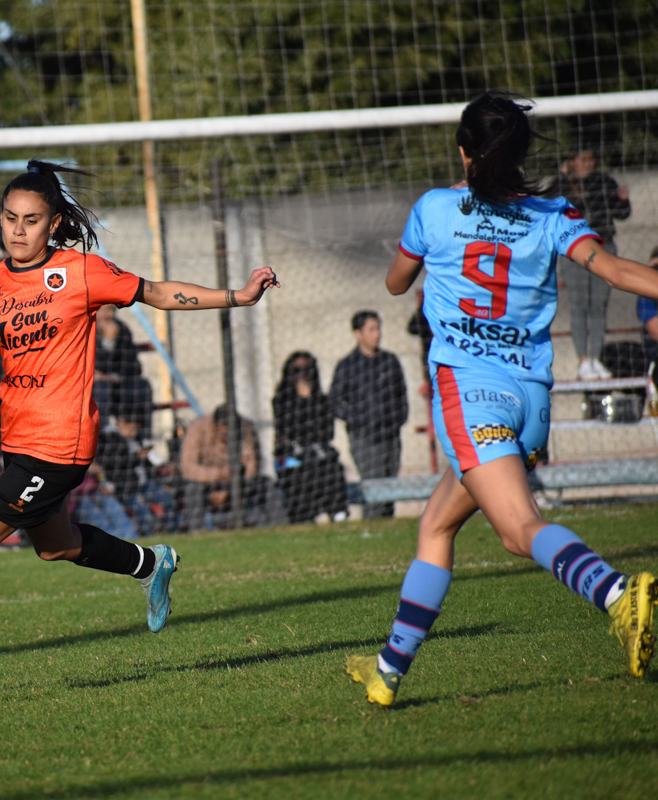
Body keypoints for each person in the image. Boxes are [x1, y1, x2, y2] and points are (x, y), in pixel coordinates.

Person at [0, 159, 279, 699]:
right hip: (19, 442)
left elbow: (157, 292)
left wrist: (236, 296)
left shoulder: (81, 272)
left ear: (53, 224)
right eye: (9, 218)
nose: (18, 230)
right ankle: (153, 562)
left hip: (61, 444)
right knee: (55, 546)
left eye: (31, 220)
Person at [346, 92, 658, 708]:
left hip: (472, 395)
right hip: (531, 403)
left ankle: (620, 596)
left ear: (464, 153)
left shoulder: (435, 209)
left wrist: (430, 263)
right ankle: (387, 672)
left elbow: (394, 281)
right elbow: (618, 271)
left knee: (519, 531)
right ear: (518, 154)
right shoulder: (555, 214)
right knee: (436, 524)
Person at [555, 148, 632, 380]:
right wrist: (562, 176)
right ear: (572, 161)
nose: (589, 164)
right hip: (574, 250)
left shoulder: (604, 181)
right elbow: (551, 207)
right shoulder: (562, 185)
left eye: (591, 159)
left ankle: (595, 358)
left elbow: (621, 213)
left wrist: (624, 200)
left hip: (604, 247)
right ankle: (582, 361)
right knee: (579, 306)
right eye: (583, 159)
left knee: (599, 306)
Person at [331, 310, 408, 519]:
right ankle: (372, 526)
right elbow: (335, 402)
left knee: (389, 487)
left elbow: (401, 395)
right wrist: (359, 420)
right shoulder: (347, 366)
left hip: (390, 436)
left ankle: (388, 530)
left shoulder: (389, 361)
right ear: (358, 334)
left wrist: (397, 421)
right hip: (364, 438)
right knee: (373, 487)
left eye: (378, 328)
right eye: (371, 329)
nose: (377, 334)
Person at [272, 351, 348, 524]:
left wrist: (309, 399)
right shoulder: (281, 401)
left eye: (307, 370)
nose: (302, 376)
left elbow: (327, 432)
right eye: (297, 370)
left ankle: (338, 513)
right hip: (292, 458)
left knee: (332, 468)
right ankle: (305, 516)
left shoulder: (321, 400)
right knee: (302, 473)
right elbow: (288, 430)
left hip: (318, 455)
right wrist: (303, 401)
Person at [179, 403, 276, 531]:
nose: (229, 437)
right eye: (225, 433)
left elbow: (251, 468)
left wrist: (229, 487)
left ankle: (278, 526)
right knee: (192, 489)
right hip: (206, 484)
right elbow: (188, 468)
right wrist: (220, 474)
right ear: (217, 426)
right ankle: (197, 531)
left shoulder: (246, 427)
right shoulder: (197, 428)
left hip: (238, 482)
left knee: (267, 484)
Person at [96, 411, 179, 534]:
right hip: (125, 489)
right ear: (122, 422)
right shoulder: (109, 438)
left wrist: (161, 479)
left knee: (168, 498)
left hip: (144, 485)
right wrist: (136, 457)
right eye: (132, 429)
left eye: (137, 430)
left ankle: (174, 533)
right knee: (143, 511)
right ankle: (147, 540)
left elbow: (148, 465)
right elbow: (113, 465)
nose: (134, 433)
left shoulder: (136, 439)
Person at [93, 303, 154, 438]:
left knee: (143, 386)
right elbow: (97, 365)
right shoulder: (86, 329)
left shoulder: (121, 329)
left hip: (118, 383)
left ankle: (143, 440)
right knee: (101, 389)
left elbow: (134, 366)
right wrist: (108, 343)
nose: (106, 315)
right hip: (94, 387)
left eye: (110, 310)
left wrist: (113, 377)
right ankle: (100, 440)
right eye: (101, 310)